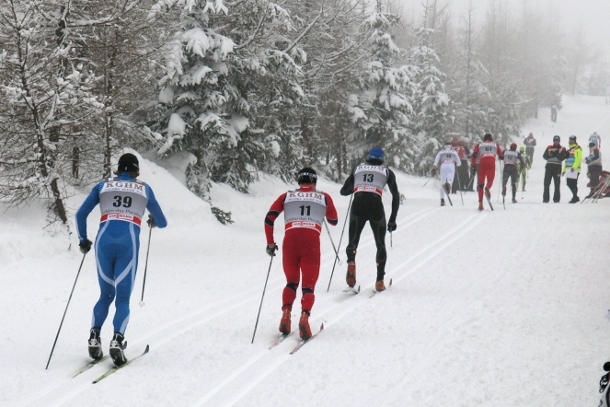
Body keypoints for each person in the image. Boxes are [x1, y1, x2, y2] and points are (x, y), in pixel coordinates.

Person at [76, 153, 167, 366]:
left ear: (118, 170)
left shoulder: (103, 186)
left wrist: (83, 241)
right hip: (128, 243)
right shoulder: (144, 189)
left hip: (103, 242)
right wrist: (152, 220)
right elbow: (162, 222)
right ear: (136, 171)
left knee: (105, 294)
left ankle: (94, 336)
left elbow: (80, 214)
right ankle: (117, 339)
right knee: (123, 298)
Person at [264, 168, 338, 339]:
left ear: (298, 182)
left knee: (291, 282)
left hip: (290, 241)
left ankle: (286, 314)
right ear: (314, 183)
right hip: (311, 241)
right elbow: (334, 221)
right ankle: (304, 317)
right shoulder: (323, 197)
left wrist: (270, 243)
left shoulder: (286, 196)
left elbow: (269, 218)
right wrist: (322, 212)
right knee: (308, 286)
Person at [340, 148, 400, 292]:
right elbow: (396, 196)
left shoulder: (358, 168)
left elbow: (344, 191)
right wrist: (392, 220)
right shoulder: (386, 171)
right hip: (375, 205)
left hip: (358, 203)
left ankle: (351, 261)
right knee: (380, 243)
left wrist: (355, 187)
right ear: (382, 159)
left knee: (353, 241)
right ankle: (379, 280)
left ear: (368, 158)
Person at [471, 133, 504, 211]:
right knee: (491, 178)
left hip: (482, 162)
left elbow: (474, 155)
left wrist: (473, 165)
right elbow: (501, 155)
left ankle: (480, 204)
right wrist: (502, 156)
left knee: (480, 184)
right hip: (491, 161)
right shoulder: (495, 144)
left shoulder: (480, 145)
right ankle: (488, 187)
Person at [432, 140, 461, 206]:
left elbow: (436, 161)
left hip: (443, 165)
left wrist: (434, 167)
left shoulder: (441, 152)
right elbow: (459, 163)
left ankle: (442, 200)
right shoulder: (454, 152)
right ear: (451, 146)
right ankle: (448, 184)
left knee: (442, 183)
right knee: (450, 179)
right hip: (451, 165)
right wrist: (456, 163)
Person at [542, 135, 567, 203]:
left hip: (557, 167)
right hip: (549, 166)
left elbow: (562, 157)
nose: (556, 142)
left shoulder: (562, 148)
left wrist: (553, 154)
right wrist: (551, 155)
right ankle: (545, 199)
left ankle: (556, 199)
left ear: (559, 141)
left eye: (557, 141)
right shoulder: (549, 147)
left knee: (557, 183)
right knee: (546, 183)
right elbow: (544, 156)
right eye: (555, 141)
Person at [562, 135, 583, 203]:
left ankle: (575, 197)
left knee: (573, 183)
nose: (570, 141)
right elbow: (567, 161)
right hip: (569, 169)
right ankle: (575, 196)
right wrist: (564, 170)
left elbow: (578, 159)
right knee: (569, 183)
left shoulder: (578, 149)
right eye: (570, 140)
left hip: (574, 169)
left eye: (572, 140)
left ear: (574, 141)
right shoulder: (569, 150)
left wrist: (574, 167)